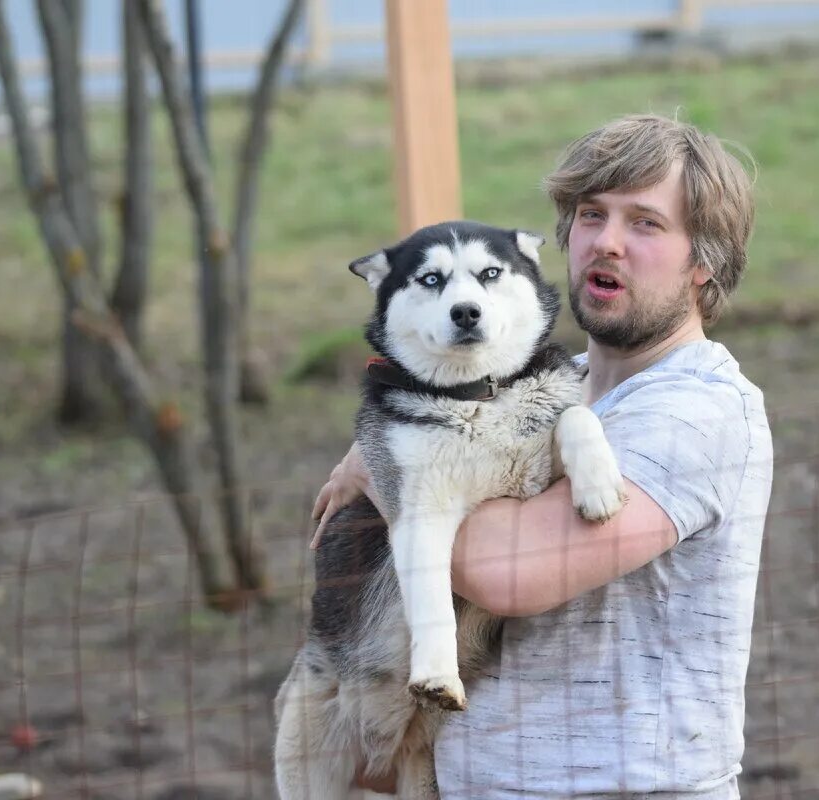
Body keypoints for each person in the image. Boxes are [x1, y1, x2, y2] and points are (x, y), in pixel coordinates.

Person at [311, 114, 773, 799]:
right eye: (592, 215)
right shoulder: (518, 392)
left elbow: (510, 572)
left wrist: (384, 464)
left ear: (704, 260)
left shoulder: (699, 409)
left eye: (645, 224)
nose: (606, 243)